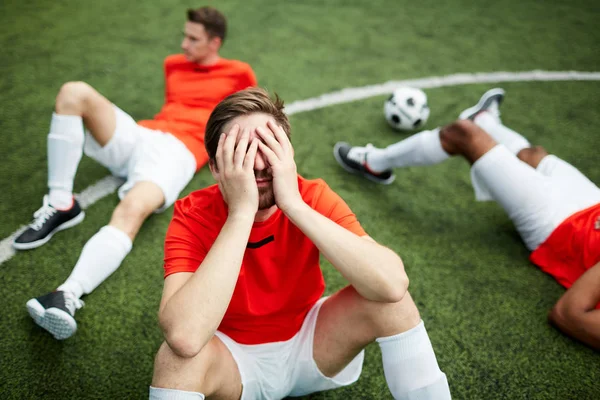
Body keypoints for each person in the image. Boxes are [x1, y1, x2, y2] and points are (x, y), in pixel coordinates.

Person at [149, 88, 451, 399]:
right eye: (242, 150)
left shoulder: (310, 196)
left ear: (287, 153)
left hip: (314, 345)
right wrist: (241, 213)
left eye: (268, 145)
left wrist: (293, 205)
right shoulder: (193, 214)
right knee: (176, 361)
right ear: (215, 167)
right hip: (232, 362)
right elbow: (184, 336)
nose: (258, 163)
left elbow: (392, 286)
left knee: (393, 303)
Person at [16, 6, 257, 340]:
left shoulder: (239, 72)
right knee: (74, 92)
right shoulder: (173, 64)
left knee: (130, 211)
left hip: (178, 152)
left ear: (214, 42)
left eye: (193, 39)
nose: (184, 44)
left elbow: (251, 115)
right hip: (145, 136)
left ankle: (66, 294)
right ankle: (61, 203)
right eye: (184, 36)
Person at [334, 88, 600, 350]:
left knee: (462, 134)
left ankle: (374, 162)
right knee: (534, 156)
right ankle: (484, 118)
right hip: (593, 206)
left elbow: (568, 315)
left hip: (560, 228)